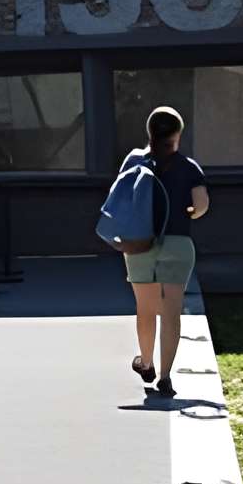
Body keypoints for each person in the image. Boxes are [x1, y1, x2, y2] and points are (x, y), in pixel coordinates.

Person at [100, 103, 208, 399]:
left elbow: (120, 196)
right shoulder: (189, 167)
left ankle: (145, 362)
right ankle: (165, 377)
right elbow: (200, 207)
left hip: (139, 243)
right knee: (171, 312)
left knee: (145, 308)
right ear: (179, 134)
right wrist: (187, 212)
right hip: (177, 243)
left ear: (149, 132)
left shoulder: (134, 160)